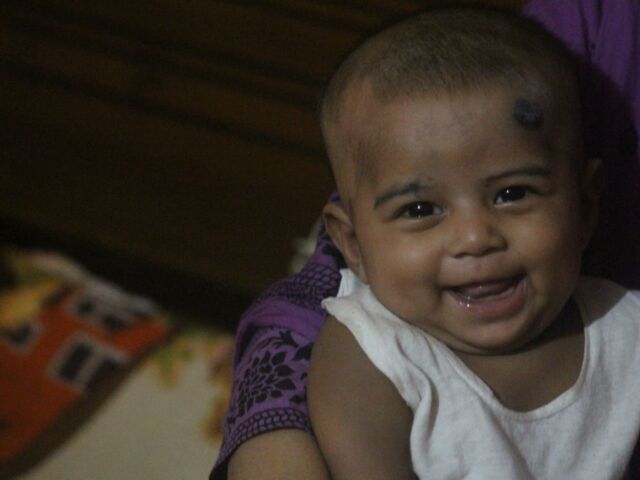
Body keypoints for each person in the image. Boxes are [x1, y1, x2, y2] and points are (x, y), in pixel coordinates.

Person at [211, 1, 640, 478]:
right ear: (352, 244)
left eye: (512, 194)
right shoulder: (373, 359)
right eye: (420, 210)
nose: (475, 237)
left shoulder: (624, 327)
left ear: (585, 206)